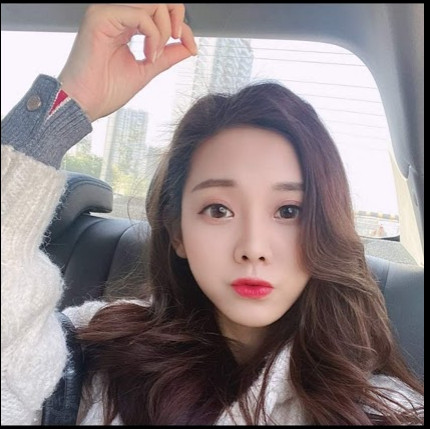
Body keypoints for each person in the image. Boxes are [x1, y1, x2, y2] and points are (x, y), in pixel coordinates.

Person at [1, 3, 423, 426]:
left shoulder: (380, 408)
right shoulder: (98, 353)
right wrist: (70, 100)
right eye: (219, 210)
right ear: (177, 232)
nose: (253, 248)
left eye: (288, 210)